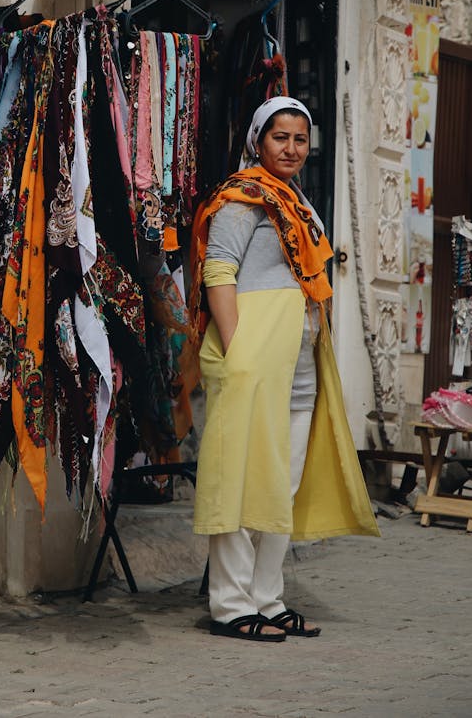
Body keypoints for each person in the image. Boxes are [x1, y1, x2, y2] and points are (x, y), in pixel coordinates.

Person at [189, 96, 378, 643]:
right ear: (258, 140)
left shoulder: (297, 202)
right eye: (280, 138)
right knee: (241, 479)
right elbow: (217, 274)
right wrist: (239, 347)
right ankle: (228, 604)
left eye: (300, 139)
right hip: (252, 359)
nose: (291, 148)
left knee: (282, 485)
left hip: (296, 366)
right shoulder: (241, 201)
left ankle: (267, 599)